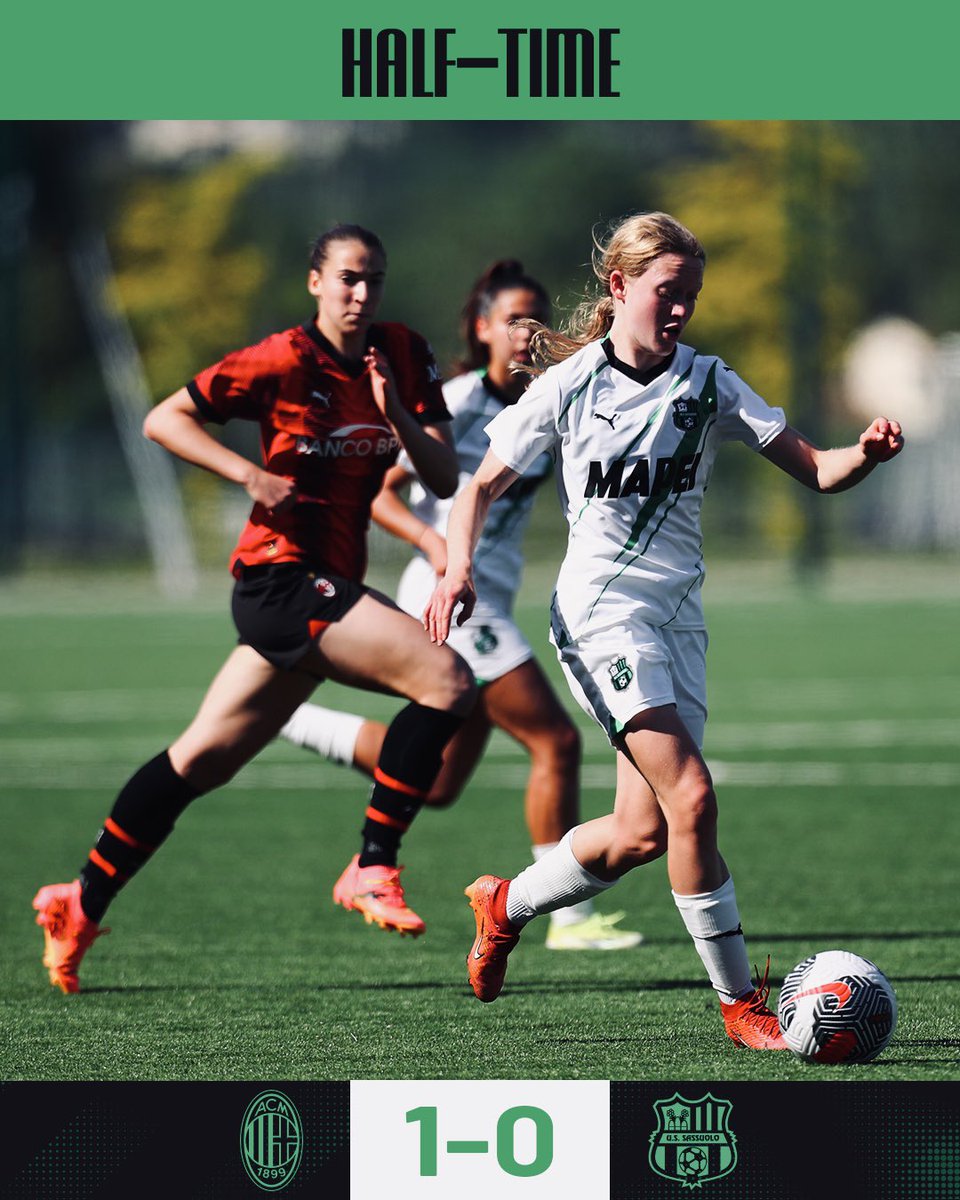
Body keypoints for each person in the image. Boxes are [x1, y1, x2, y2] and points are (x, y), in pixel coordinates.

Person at [423, 212, 904, 1049]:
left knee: (644, 832)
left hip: (677, 622)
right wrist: (456, 568)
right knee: (693, 797)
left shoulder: (710, 382)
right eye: (666, 292)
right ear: (619, 287)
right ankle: (738, 1006)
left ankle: (505, 904)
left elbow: (819, 470)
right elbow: (476, 488)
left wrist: (864, 451)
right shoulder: (570, 388)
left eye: (692, 296)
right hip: (600, 616)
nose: (680, 309)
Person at [32, 223, 478, 993]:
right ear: (315, 281)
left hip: (319, 590)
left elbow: (443, 478)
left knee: (196, 761)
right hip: (279, 582)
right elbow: (163, 418)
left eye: (372, 278)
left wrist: (397, 414)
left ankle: (81, 900)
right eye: (346, 278)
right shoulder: (280, 359)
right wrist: (248, 475)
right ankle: (372, 865)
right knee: (446, 681)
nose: (361, 294)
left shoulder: (401, 353)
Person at [278, 260, 642, 951]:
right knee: (555, 741)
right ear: (482, 329)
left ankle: (290, 719)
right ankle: (566, 917)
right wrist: (435, 543)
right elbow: (383, 493)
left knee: (438, 781)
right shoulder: (458, 403)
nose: (526, 331)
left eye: (537, 317)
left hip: (490, 599)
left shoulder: (551, 400)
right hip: (451, 604)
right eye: (511, 318)